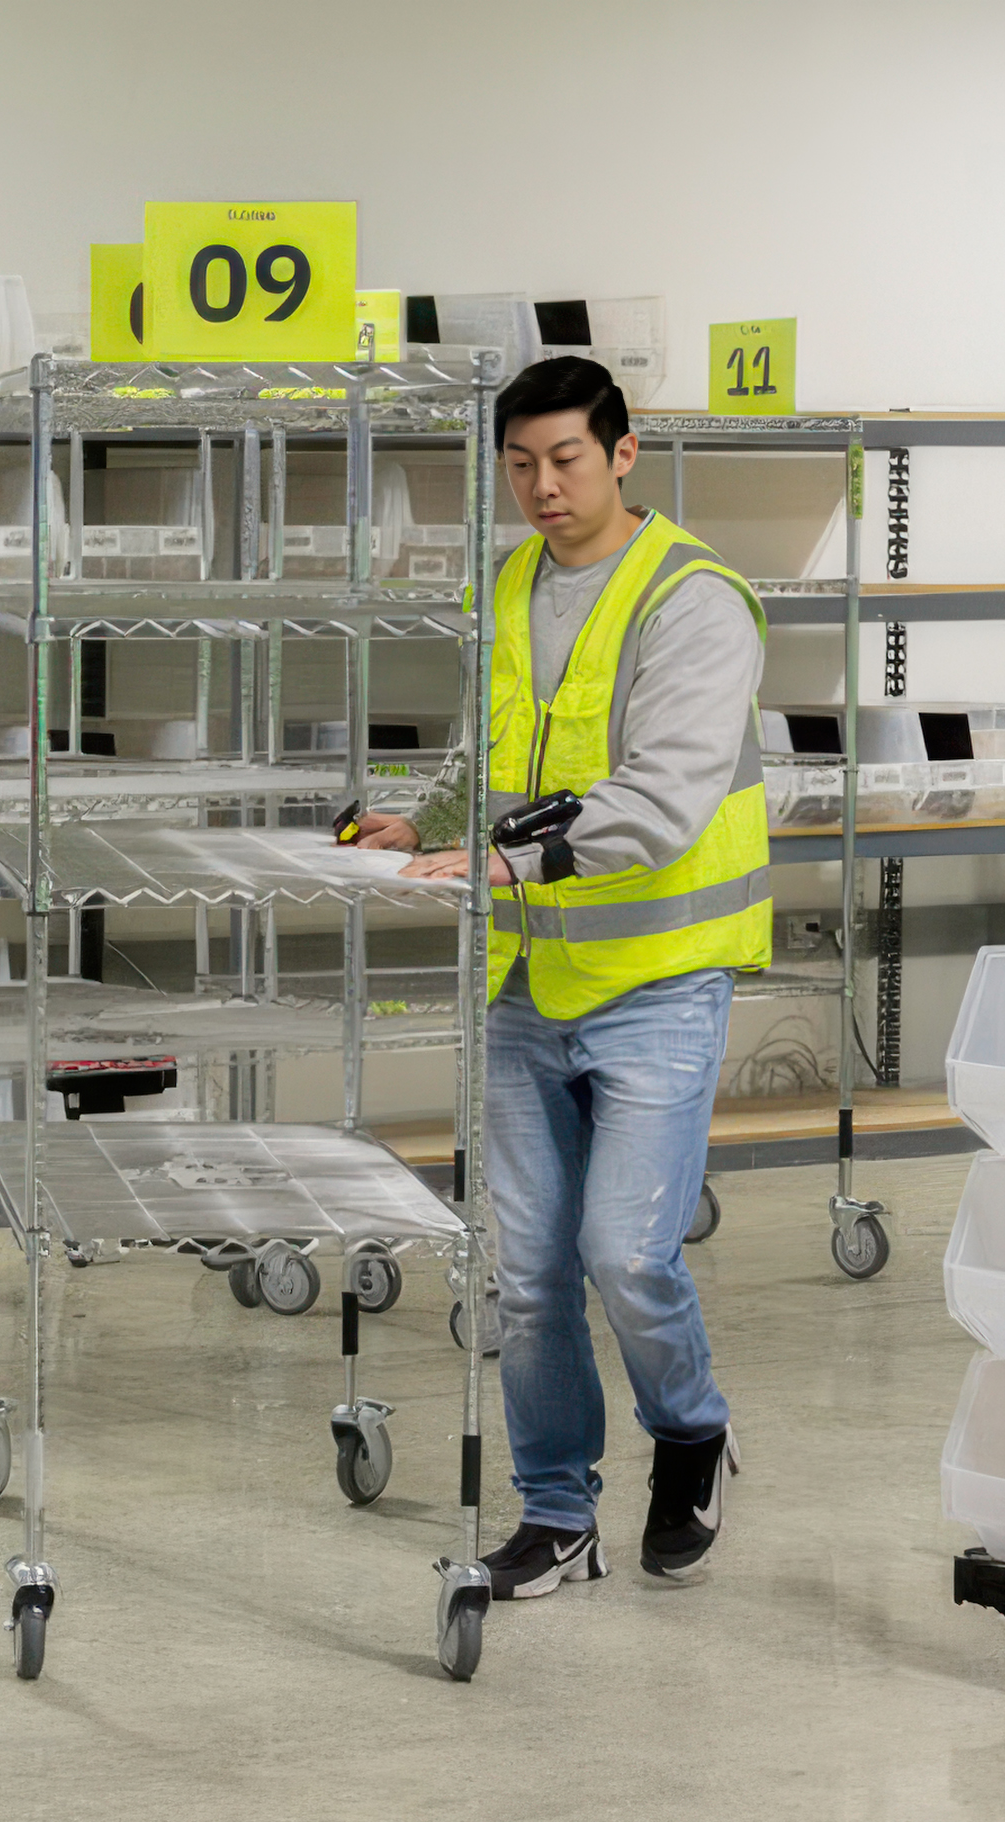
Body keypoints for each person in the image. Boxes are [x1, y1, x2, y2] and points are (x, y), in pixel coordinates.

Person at [343, 354, 768, 1597]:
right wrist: (421, 824)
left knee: (628, 1254)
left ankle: (690, 1434)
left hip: (658, 979)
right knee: (525, 1275)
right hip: (528, 985)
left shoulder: (694, 598)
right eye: (519, 463)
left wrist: (504, 860)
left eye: (566, 458)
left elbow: (663, 797)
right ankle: (557, 1515)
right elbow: (495, 748)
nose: (540, 485)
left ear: (624, 453)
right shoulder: (513, 580)